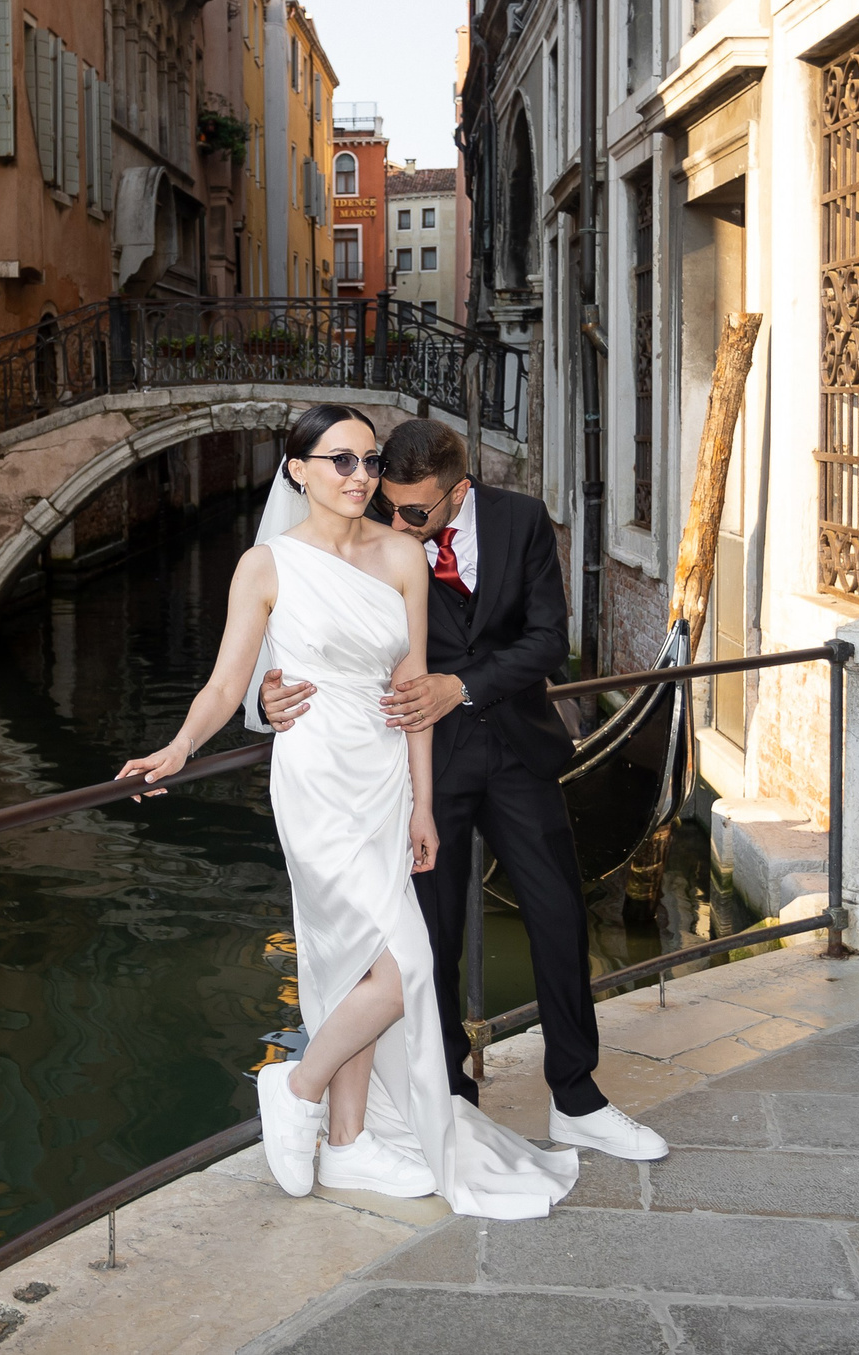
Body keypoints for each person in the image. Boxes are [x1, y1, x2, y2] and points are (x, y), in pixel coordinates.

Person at [118, 404, 577, 1218]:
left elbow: (413, 698)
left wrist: (424, 806)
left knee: (367, 962)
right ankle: (296, 1086)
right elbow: (229, 685)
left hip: (387, 782)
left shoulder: (402, 555)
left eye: (369, 461)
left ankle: (349, 1140)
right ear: (297, 469)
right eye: (342, 461)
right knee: (406, 964)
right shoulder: (264, 566)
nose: (361, 476)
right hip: (317, 781)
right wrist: (179, 748)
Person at [256, 418, 668, 1163]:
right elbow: (309, 637)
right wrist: (269, 698)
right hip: (417, 770)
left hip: (518, 753)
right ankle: (447, 1096)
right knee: (431, 940)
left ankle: (577, 1097)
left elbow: (547, 641)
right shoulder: (374, 537)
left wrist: (462, 685)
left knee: (559, 917)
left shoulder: (521, 521)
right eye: (388, 503)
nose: (395, 520)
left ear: (459, 492)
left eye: (415, 511)